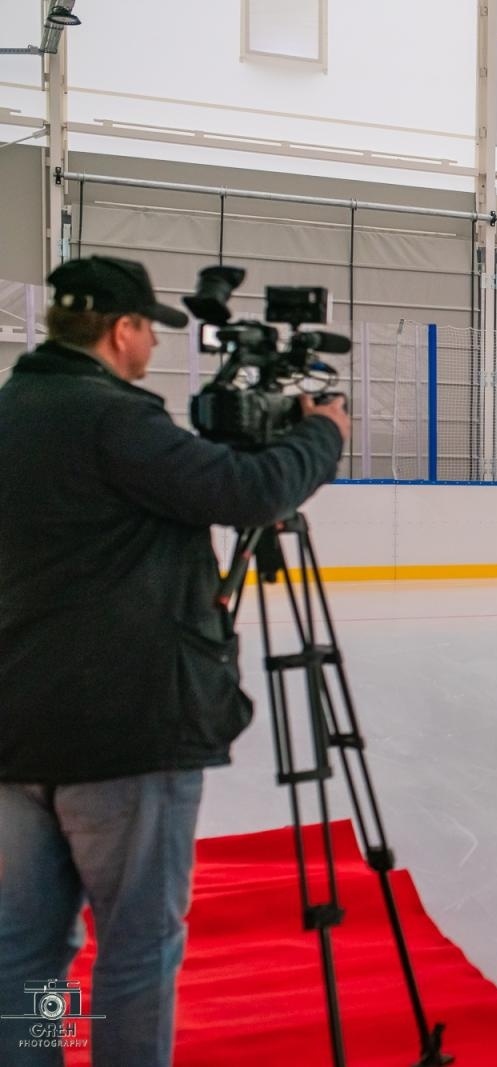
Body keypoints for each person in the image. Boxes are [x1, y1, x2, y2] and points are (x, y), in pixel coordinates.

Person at [0, 256, 351, 1066]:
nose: (151, 349)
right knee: (136, 950)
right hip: (121, 728)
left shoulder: (13, 408)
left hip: (18, 725)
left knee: (28, 952)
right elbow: (245, 491)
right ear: (121, 330)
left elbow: (90, 542)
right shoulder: (112, 418)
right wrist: (321, 435)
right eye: (147, 333)